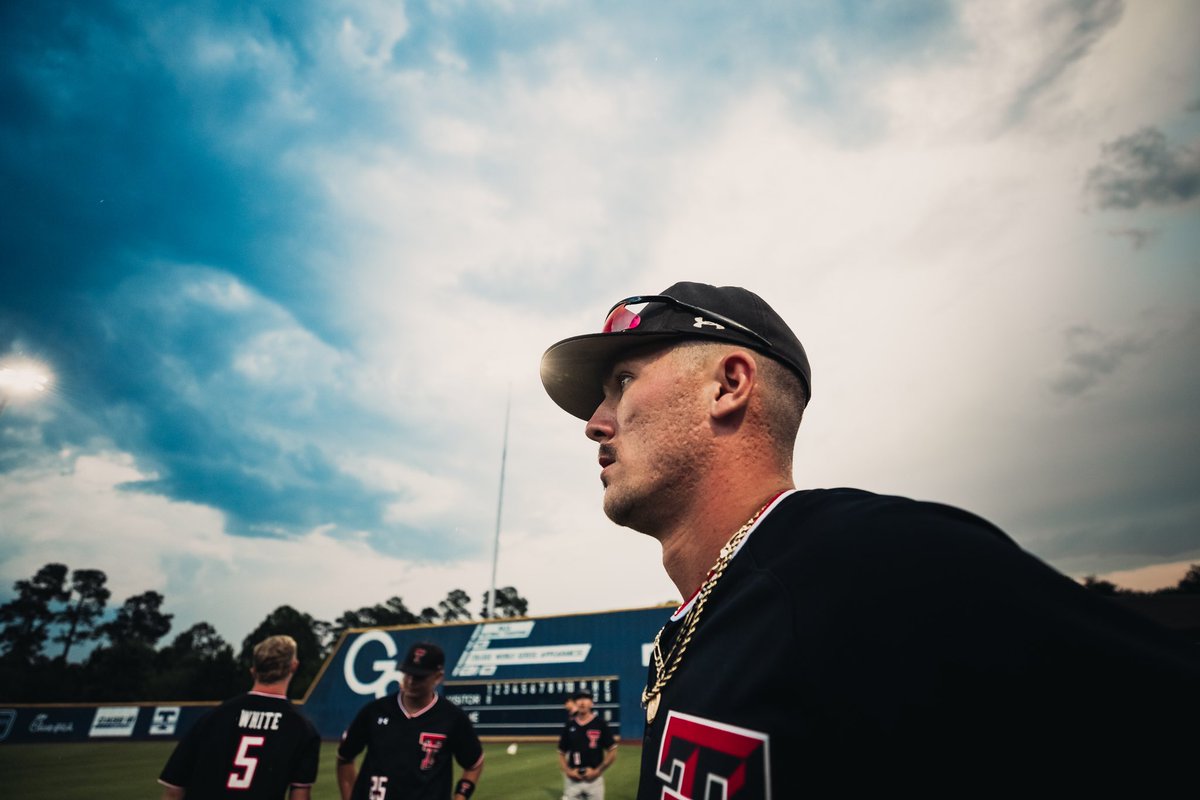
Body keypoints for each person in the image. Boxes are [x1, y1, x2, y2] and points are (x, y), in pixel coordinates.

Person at [539, 281, 1200, 796]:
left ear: (728, 384)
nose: (596, 424)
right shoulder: (701, 622)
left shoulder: (879, 569)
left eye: (622, 383)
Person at [158, 634, 320, 799]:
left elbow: (173, 789)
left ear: (253, 670)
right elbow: (300, 796)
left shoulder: (212, 717)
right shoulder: (302, 728)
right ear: (294, 666)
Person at [337, 641, 484, 800]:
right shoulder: (374, 711)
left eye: (419, 677)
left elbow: (474, 763)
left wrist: (461, 795)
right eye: (408, 673)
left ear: (438, 677)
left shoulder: (452, 717)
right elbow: (345, 757)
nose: (411, 681)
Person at [557, 690, 617, 800]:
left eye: (586, 698)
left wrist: (598, 771)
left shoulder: (600, 724)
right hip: (573, 781)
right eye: (579, 699)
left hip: (594, 782)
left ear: (592, 703)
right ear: (575, 703)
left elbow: (612, 750)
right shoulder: (569, 725)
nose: (582, 702)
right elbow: (561, 752)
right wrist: (568, 771)